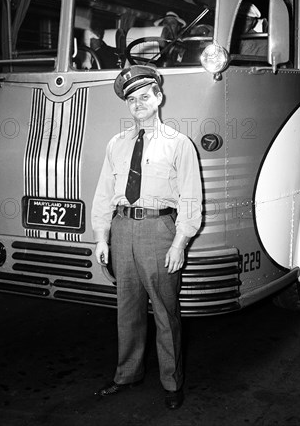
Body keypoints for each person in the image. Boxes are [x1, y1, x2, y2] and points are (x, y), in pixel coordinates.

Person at [91, 65, 202, 410]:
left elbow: (190, 197)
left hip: (159, 230)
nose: (137, 103)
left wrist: (180, 242)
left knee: (166, 312)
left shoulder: (179, 144)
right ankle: (128, 373)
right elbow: (104, 193)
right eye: (131, 100)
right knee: (127, 308)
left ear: (158, 97)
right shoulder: (116, 144)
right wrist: (101, 236)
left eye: (144, 97)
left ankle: (172, 382)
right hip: (123, 228)